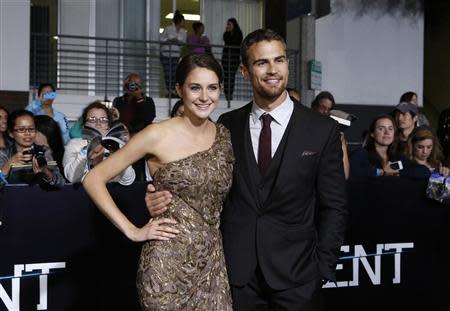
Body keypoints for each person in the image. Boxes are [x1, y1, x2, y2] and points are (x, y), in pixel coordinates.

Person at [146, 29, 347, 311]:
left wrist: (322, 268)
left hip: (298, 277)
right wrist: (156, 194)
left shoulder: (321, 129)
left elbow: (334, 206)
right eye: (261, 62)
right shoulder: (226, 126)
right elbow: (197, 179)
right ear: (244, 71)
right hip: (238, 278)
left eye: (279, 60)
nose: (272, 70)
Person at [83, 54, 234, 310]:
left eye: (212, 87)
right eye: (195, 87)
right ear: (179, 89)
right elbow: (94, 179)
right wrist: (133, 230)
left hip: (213, 265)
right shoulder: (156, 134)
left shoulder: (224, 136)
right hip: (166, 267)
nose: (204, 97)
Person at [63, 101, 135, 185]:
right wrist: (87, 149)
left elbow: (127, 181)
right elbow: (72, 178)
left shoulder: (116, 145)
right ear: (84, 125)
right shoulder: (74, 144)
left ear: (108, 126)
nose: (98, 123)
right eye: (92, 119)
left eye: (103, 119)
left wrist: (118, 152)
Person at [0, 109, 65, 187]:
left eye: (31, 129)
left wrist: (46, 172)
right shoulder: (4, 154)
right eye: (21, 129)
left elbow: (61, 183)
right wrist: (10, 163)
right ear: (11, 133)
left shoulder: (44, 151)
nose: (27, 133)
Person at [349, 115, 428, 178]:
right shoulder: (361, 153)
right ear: (372, 133)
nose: (387, 132)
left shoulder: (397, 156)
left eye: (390, 129)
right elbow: (353, 171)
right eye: (381, 129)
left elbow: (424, 171)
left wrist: (398, 172)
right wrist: (382, 172)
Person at [311, 91, 350, 179]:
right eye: (322, 107)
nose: (325, 111)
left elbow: (345, 174)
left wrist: (342, 142)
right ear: (314, 106)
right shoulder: (304, 125)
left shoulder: (332, 130)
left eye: (329, 109)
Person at [160, 10, 187, 97]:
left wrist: (178, 41)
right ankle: (169, 91)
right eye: (183, 21)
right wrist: (168, 40)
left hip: (175, 54)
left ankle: (173, 90)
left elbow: (183, 43)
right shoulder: (168, 29)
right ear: (179, 21)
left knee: (174, 73)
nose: (184, 22)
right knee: (167, 73)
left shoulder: (183, 31)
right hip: (166, 53)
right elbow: (160, 39)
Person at [221, 18, 243, 101]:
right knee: (226, 76)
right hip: (226, 58)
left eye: (229, 24)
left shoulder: (238, 33)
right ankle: (227, 95)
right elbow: (227, 41)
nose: (228, 26)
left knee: (231, 76)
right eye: (227, 24)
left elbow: (235, 42)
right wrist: (227, 32)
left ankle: (230, 95)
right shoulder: (226, 34)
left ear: (234, 25)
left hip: (234, 59)